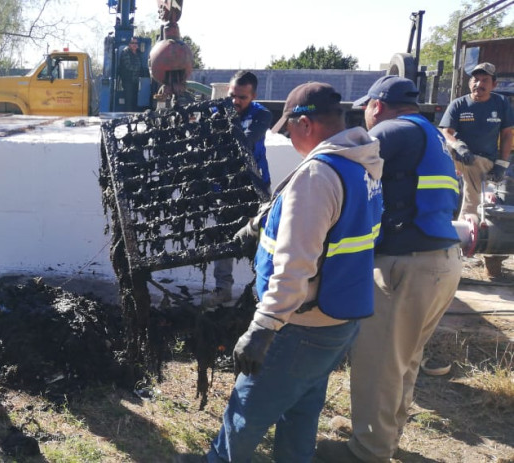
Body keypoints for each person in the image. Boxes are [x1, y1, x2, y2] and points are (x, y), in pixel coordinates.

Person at [207, 82, 383, 463]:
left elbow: (296, 263)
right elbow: (335, 227)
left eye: (288, 131)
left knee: (244, 415)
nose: (288, 139)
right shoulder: (362, 165)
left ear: (305, 124)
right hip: (337, 322)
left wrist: (263, 327)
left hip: (299, 326)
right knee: (301, 410)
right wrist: (260, 224)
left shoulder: (317, 176)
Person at [315, 76, 463, 462]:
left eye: (366, 108)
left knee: (378, 361)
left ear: (377, 105)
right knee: (404, 359)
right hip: (442, 262)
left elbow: (337, 156)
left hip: (406, 265)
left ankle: (368, 451)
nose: (365, 115)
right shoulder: (432, 137)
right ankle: (385, 434)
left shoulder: (391, 130)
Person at [439, 62, 514, 279]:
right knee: (476, 196)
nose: (478, 84)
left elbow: (508, 134)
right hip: (459, 158)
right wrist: (458, 145)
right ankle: (467, 233)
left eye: (484, 80)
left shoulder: (501, 104)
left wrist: (503, 164)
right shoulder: (459, 104)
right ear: (469, 81)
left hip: (486, 162)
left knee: (499, 202)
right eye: (475, 79)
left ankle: (492, 258)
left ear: (494, 84)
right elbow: (446, 132)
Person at [203, 70, 273, 306]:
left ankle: (263, 292)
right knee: (223, 240)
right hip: (224, 188)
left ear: (253, 96)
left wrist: (219, 127)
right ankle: (222, 289)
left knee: (263, 239)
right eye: (232, 95)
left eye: (242, 97)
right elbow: (208, 143)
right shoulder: (216, 111)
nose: (235, 101)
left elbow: (245, 141)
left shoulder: (261, 115)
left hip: (255, 187)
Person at [118, 36, 145, 111]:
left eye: (136, 43)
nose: (135, 44)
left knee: (135, 99)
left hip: (136, 80)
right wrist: (138, 69)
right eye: (133, 43)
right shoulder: (125, 52)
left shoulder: (138, 53)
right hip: (128, 80)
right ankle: (128, 117)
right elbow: (128, 66)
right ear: (129, 44)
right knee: (129, 99)